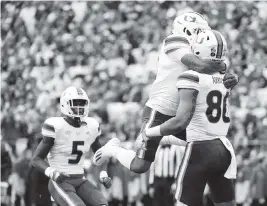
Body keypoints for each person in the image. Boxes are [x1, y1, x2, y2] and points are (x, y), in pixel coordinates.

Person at [93, 12, 238, 174]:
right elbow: (201, 66)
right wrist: (223, 66)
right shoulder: (174, 41)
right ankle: (113, 149)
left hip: (183, 113)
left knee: (207, 141)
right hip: (160, 110)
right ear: (188, 31)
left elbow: (211, 73)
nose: (203, 36)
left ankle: (165, 137)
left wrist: (229, 78)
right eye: (200, 32)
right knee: (139, 166)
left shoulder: (198, 50)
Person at [141, 30, 237, 206]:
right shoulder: (226, 78)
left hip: (200, 149)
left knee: (184, 203)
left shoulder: (191, 77)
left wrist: (150, 131)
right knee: (226, 203)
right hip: (223, 148)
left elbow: (181, 121)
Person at [31, 86, 111, 206]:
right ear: (65, 104)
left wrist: (103, 173)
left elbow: (101, 155)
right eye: (76, 103)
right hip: (60, 181)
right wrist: (52, 172)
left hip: (81, 180)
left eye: (82, 103)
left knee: (103, 204)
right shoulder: (56, 126)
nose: (79, 107)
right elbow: (36, 159)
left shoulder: (91, 125)